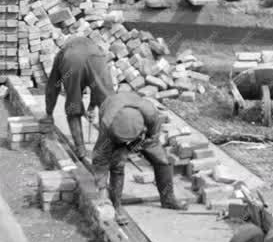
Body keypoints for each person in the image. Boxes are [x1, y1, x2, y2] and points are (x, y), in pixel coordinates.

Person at [92, 92, 188, 225]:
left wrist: (130, 147)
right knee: (117, 165)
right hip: (112, 110)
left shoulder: (150, 114)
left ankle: (168, 199)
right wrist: (102, 191)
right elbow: (100, 159)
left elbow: (153, 137)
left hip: (141, 134)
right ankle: (116, 206)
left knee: (162, 161)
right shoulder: (107, 125)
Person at [45, 35, 115, 167]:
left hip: (72, 61)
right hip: (97, 58)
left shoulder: (62, 53)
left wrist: (49, 113)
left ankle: (81, 150)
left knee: (73, 106)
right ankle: (107, 150)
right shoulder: (95, 47)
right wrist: (93, 105)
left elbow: (52, 87)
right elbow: (97, 87)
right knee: (108, 104)